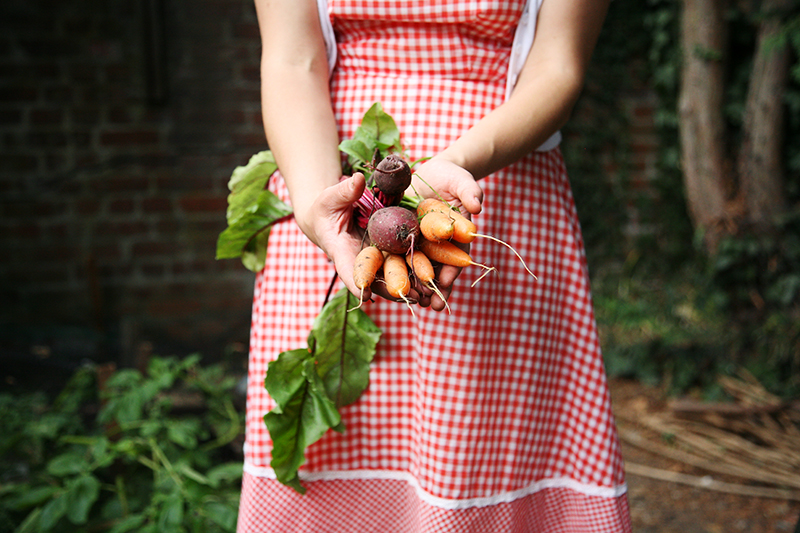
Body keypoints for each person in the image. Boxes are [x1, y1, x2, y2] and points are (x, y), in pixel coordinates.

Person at [238, 0, 632, 531]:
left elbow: (557, 67)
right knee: (334, 437)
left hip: (494, 186)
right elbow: (291, 62)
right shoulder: (325, 207)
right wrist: (317, 206)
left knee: (479, 445)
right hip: (331, 198)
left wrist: (453, 164)